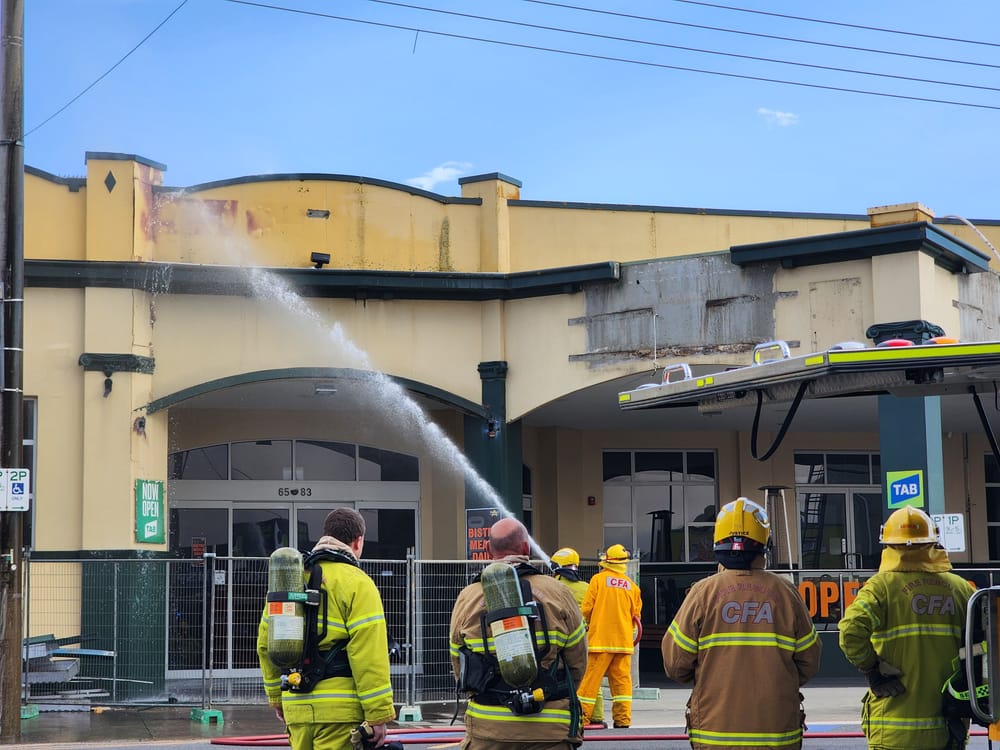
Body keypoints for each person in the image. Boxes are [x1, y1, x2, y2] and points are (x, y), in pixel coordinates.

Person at [662, 497, 821, 749]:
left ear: (718, 543)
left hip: (715, 736)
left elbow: (675, 663)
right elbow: (809, 661)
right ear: (764, 545)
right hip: (777, 734)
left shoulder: (702, 593)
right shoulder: (786, 593)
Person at [257, 508, 395, 750]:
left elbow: (265, 643)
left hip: (296, 707)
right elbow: (369, 655)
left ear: (325, 535)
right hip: (339, 712)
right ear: (358, 541)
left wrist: (276, 698)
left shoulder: (291, 579)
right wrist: (379, 714)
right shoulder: (358, 583)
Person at [839, 505, 973, 750]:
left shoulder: (880, 588)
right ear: (933, 543)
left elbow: (850, 632)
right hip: (948, 728)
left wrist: (873, 670)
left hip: (893, 730)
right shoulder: (962, 589)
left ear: (888, 545)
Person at [450, 517, 588, 749]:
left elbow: (458, 664)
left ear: (487, 550)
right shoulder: (559, 592)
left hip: (488, 730)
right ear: (526, 548)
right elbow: (578, 662)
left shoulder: (468, 597)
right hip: (550, 731)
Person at [576, 543, 643, 729]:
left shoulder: (597, 580)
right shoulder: (632, 587)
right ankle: (623, 721)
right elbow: (636, 617)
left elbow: (587, 609)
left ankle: (583, 719)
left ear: (607, 562)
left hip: (599, 642)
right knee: (622, 686)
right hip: (623, 644)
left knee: (589, 684)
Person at [550, 547, 605, 727]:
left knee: (563, 678)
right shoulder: (586, 587)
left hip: (561, 641)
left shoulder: (555, 587)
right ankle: (596, 716)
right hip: (588, 639)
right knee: (591, 678)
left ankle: (572, 715)